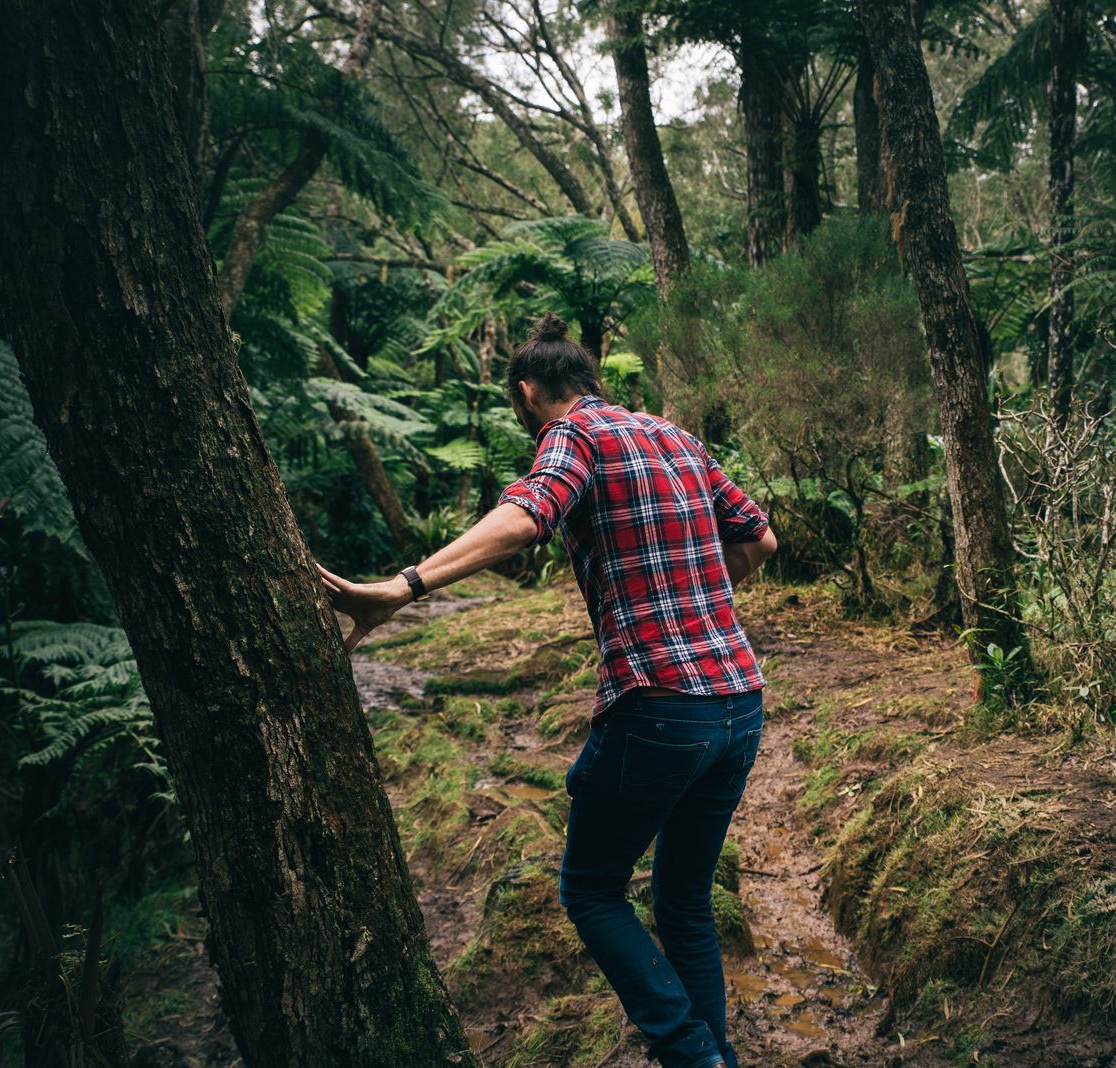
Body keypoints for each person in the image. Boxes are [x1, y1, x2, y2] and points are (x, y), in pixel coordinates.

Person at [318, 311, 777, 1068]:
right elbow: (759, 539)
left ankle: (695, 1056)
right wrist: (698, 591)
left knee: (593, 892)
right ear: (591, 376)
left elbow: (528, 515)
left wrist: (404, 586)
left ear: (529, 391)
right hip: (739, 702)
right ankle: (714, 1053)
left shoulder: (574, 436)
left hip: (659, 706)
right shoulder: (676, 436)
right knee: (686, 898)